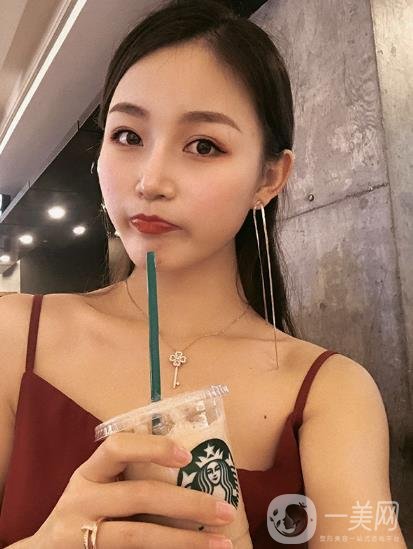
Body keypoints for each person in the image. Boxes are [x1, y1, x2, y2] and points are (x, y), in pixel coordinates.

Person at [0, 1, 407, 548]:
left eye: (204, 145)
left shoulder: (331, 392)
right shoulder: (12, 336)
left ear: (269, 177)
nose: (150, 181)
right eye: (128, 136)